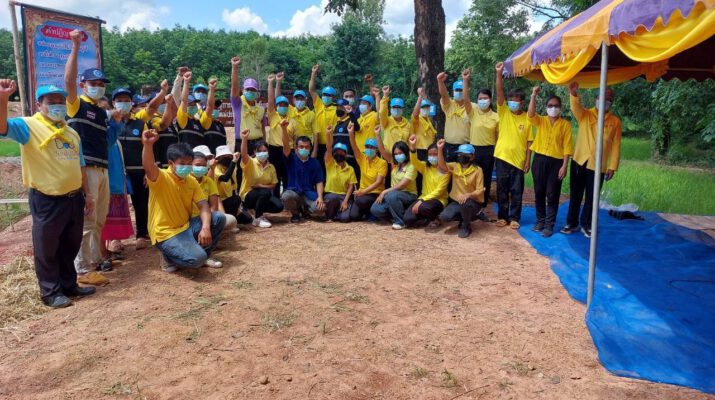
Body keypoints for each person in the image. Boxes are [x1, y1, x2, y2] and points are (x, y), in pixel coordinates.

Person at [0, 80, 97, 307]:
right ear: (39, 104)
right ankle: (51, 292)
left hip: (74, 197)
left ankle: (69, 285)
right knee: (47, 247)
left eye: (61, 101)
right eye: (52, 102)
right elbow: (2, 127)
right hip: (47, 199)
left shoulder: (71, 132)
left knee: (70, 245)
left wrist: (88, 194)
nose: (58, 106)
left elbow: (80, 165)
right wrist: (3, 99)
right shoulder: (28, 126)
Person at [65, 30, 125, 283]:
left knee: (99, 218)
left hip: (102, 169)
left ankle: (95, 260)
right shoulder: (76, 104)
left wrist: (117, 122)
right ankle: (82, 269)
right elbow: (68, 81)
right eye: (94, 83)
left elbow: (108, 140)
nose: (98, 87)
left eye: (101, 84)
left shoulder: (101, 112)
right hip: (86, 167)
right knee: (88, 219)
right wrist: (75, 46)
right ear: (83, 85)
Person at [141, 131, 225, 272]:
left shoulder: (191, 181)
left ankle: (202, 253)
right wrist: (148, 145)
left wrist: (205, 227)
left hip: (186, 227)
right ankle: (168, 257)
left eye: (189, 163)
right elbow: (149, 166)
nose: (186, 167)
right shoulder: (161, 177)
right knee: (196, 259)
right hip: (165, 233)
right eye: (182, 163)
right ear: (171, 163)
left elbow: (203, 205)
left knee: (218, 218)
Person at [562, 82, 622, 238]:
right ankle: (571, 223)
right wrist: (573, 94)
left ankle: (587, 224)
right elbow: (575, 107)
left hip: (598, 165)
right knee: (575, 194)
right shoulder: (585, 114)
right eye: (602, 97)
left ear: (612, 102)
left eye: (609, 99)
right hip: (579, 160)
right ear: (596, 98)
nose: (605, 101)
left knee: (592, 197)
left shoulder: (615, 122)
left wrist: (612, 166)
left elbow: (616, 145)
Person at [117, 83, 169, 251]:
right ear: (113, 103)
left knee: (141, 203)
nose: (123, 103)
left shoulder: (140, 123)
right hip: (117, 172)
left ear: (131, 103)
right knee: (116, 204)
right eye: (119, 100)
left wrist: (148, 171)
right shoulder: (109, 122)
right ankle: (116, 238)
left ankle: (141, 234)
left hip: (138, 171)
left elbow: (148, 147)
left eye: (126, 100)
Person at [527, 87, 573, 238]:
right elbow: (530, 114)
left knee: (552, 194)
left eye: (556, 105)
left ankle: (549, 225)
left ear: (560, 108)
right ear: (546, 107)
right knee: (539, 192)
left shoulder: (565, 125)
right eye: (550, 105)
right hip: (539, 160)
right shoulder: (541, 120)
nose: (553, 108)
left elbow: (567, 146)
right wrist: (533, 96)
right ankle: (540, 221)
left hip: (556, 162)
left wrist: (565, 166)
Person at [494, 62, 532, 229]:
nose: (512, 103)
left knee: (517, 191)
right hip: (502, 157)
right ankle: (503, 217)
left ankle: (515, 217)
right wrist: (499, 74)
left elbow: (529, 142)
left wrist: (527, 161)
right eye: (510, 101)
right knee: (502, 189)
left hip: (518, 160)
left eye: (515, 101)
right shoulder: (504, 113)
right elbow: (499, 92)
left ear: (521, 103)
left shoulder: (527, 118)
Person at [371, 126, 418, 230]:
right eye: (396, 154)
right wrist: (377, 134)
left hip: (409, 195)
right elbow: (382, 150)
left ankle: (400, 222)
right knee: (375, 209)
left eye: (400, 153)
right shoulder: (395, 163)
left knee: (391, 195)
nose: (398, 155)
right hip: (393, 195)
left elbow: (403, 185)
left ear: (406, 153)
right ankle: (396, 215)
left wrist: (385, 191)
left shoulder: (412, 165)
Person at [280, 118, 326, 223]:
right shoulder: (291, 158)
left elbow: (319, 181)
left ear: (310, 148)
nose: (304, 149)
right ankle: (295, 213)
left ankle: (306, 211)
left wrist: (320, 197)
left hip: (309, 194)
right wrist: (283, 129)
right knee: (286, 196)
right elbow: (286, 145)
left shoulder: (315, 162)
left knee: (320, 209)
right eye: (301, 147)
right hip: (294, 192)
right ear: (296, 148)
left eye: (306, 147)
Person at [437, 140, 485, 238]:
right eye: (460, 154)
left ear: (472, 157)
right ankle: (465, 218)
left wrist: (468, 195)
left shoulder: (478, 170)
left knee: (465, 203)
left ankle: (466, 226)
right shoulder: (455, 166)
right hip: (457, 201)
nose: (461, 156)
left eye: (465, 155)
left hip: (472, 201)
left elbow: (480, 189)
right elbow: (442, 166)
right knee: (444, 216)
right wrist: (439, 149)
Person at [237, 129, 284, 228]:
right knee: (266, 192)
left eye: (265, 151)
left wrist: (260, 186)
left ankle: (256, 210)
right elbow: (244, 154)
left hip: (263, 194)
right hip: (248, 195)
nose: (262, 153)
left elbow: (274, 185)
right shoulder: (250, 162)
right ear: (255, 152)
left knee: (279, 206)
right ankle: (258, 218)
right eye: (259, 151)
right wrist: (244, 139)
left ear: (268, 152)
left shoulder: (271, 167)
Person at [404, 135, 449, 229]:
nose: (432, 157)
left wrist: (422, 200)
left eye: (435, 154)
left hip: (439, 200)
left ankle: (435, 219)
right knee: (408, 219)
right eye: (430, 154)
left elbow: (439, 191)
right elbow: (414, 161)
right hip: (423, 198)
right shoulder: (425, 167)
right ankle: (426, 219)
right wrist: (412, 147)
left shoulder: (446, 170)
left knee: (424, 207)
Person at [466, 78, 499, 209]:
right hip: (474, 150)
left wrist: (496, 154)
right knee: (472, 176)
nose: (483, 100)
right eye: (480, 98)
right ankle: (472, 200)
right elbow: (466, 99)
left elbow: (498, 138)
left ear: (490, 100)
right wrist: (465, 80)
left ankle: (483, 202)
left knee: (486, 177)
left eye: (485, 98)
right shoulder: (473, 113)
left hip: (489, 151)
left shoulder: (496, 116)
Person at [347, 122, 387, 221]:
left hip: (375, 193)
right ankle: (367, 212)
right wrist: (351, 133)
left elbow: (378, 182)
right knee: (354, 216)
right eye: (367, 147)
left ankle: (372, 212)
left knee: (362, 200)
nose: (369, 149)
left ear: (376, 150)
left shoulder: (382, 162)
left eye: (371, 147)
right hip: (362, 193)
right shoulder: (362, 159)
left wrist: (363, 192)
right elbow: (354, 147)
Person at [190, 150, 237, 232]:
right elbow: (225, 178)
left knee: (229, 219)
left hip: (205, 215)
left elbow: (214, 205)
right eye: (198, 165)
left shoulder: (209, 181)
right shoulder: (185, 180)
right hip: (188, 219)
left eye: (204, 165)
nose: (201, 167)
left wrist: (206, 221)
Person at [266, 73, 295, 198]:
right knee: (275, 176)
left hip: (288, 149)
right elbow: (271, 100)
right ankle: (276, 200)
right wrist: (271, 83)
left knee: (288, 175)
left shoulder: (292, 119)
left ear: (288, 107)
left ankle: (288, 199)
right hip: (274, 150)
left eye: (285, 105)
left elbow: (295, 137)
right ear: (276, 106)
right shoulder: (273, 116)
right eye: (280, 105)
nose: (282, 106)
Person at [230, 56, 266, 156]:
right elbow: (234, 87)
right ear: (243, 90)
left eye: (253, 90)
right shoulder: (238, 103)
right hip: (242, 142)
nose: (250, 91)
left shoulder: (261, 109)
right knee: (242, 166)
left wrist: (264, 144)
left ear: (257, 92)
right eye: (248, 89)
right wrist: (235, 67)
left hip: (258, 143)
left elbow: (263, 129)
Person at [212, 145, 253, 228]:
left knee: (248, 219)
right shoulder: (216, 169)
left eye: (228, 156)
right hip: (219, 203)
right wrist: (234, 161)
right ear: (218, 158)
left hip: (229, 202)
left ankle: (233, 218)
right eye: (224, 157)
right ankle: (228, 221)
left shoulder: (231, 169)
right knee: (236, 199)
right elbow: (225, 178)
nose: (227, 158)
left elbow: (234, 188)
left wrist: (238, 209)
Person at [323, 125, 357, 222]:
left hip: (343, 196)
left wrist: (345, 201)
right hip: (330, 195)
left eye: (342, 152)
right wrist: (328, 134)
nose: (339, 154)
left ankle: (336, 212)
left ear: (346, 154)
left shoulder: (350, 169)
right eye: (336, 152)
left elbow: (350, 187)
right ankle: (332, 210)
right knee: (333, 203)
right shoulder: (330, 164)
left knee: (345, 218)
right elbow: (329, 148)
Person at [308, 64, 338, 168]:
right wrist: (313, 73)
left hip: (330, 145)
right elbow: (311, 90)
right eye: (324, 94)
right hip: (317, 144)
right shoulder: (319, 104)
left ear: (333, 97)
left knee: (329, 168)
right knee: (317, 168)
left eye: (329, 95)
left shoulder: (337, 109)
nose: (326, 97)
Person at [437, 70, 471, 162]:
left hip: (465, 145)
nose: (459, 92)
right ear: (453, 91)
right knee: (449, 168)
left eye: (461, 90)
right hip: (449, 145)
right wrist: (440, 82)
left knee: (464, 168)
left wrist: (465, 80)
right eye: (457, 90)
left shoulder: (471, 107)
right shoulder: (449, 105)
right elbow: (444, 95)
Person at [176, 72, 210, 149]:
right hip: (186, 154)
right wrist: (186, 82)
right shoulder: (183, 119)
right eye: (190, 104)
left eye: (194, 104)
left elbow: (210, 107)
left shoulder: (198, 121)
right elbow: (184, 100)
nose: (193, 106)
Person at [411, 87, 437, 162]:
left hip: (430, 150)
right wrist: (420, 97)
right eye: (423, 107)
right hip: (420, 150)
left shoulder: (429, 120)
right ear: (420, 109)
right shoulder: (417, 120)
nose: (425, 109)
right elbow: (415, 114)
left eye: (427, 107)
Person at [355, 90, 379, 155]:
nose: (361, 105)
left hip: (370, 152)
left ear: (370, 106)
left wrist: (377, 96)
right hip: (358, 152)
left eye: (364, 103)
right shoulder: (358, 119)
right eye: (361, 103)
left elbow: (379, 111)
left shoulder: (374, 116)